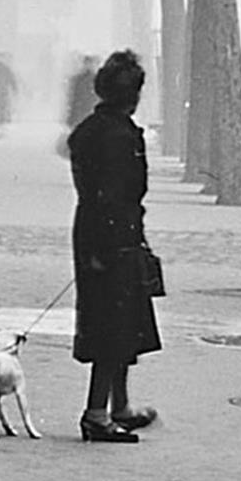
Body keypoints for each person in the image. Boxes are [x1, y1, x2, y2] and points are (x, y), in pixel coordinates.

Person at [68, 48, 161, 443]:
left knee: (120, 323)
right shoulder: (120, 136)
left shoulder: (92, 128)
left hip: (96, 230)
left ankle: (119, 405)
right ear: (134, 95)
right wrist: (113, 245)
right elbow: (116, 194)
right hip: (114, 235)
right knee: (113, 326)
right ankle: (96, 412)